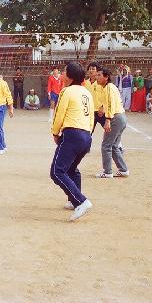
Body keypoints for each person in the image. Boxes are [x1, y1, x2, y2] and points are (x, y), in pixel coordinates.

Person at [50, 62, 94, 221]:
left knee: (56, 172)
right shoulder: (86, 92)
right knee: (72, 169)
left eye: (63, 72)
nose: (61, 74)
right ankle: (74, 201)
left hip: (73, 134)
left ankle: (81, 201)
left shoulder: (66, 91)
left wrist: (55, 133)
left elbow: (58, 114)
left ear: (69, 77)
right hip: (86, 136)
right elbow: (91, 117)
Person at [95, 67, 129, 178]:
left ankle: (107, 171)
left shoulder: (109, 87)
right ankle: (123, 170)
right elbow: (108, 103)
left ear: (106, 77)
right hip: (121, 117)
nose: (97, 77)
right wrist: (101, 108)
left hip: (116, 118)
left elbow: (110, 104)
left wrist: (108, 120)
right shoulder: (108, 88)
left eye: (99, 75)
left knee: (106, 145)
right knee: (114, 145)